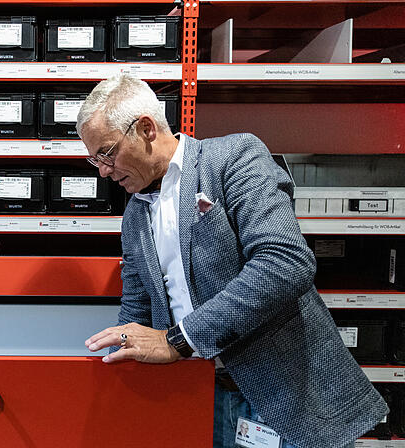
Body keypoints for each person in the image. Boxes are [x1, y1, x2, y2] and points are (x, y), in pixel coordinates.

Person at [78, 73, 387, 448]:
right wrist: (118, 368)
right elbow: (137, 307)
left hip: (287, 394)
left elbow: (284, 262)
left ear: (146, 128)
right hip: (197, 395)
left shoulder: (233, 157)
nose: (104, 171)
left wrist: (178, 340)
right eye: (95, 159)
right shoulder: (135, 215)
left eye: (107, 153)